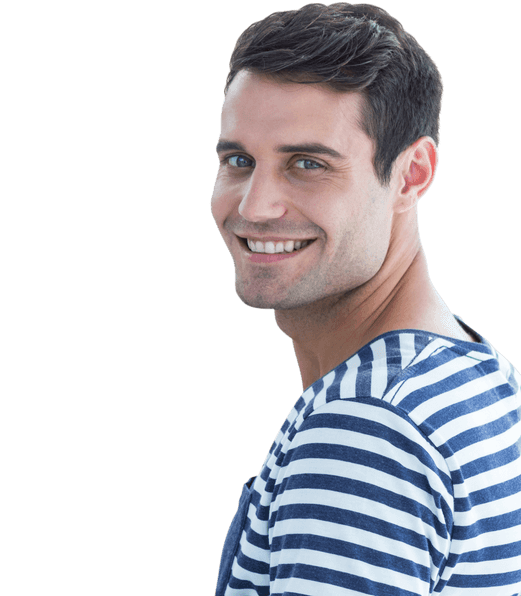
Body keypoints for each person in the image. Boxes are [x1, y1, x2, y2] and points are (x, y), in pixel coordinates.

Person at [211, 3, 521, 594]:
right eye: (238, 161)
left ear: (411, 175)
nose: (253, 207)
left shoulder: (367, 429)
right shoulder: (479, 375)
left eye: (307, 164)